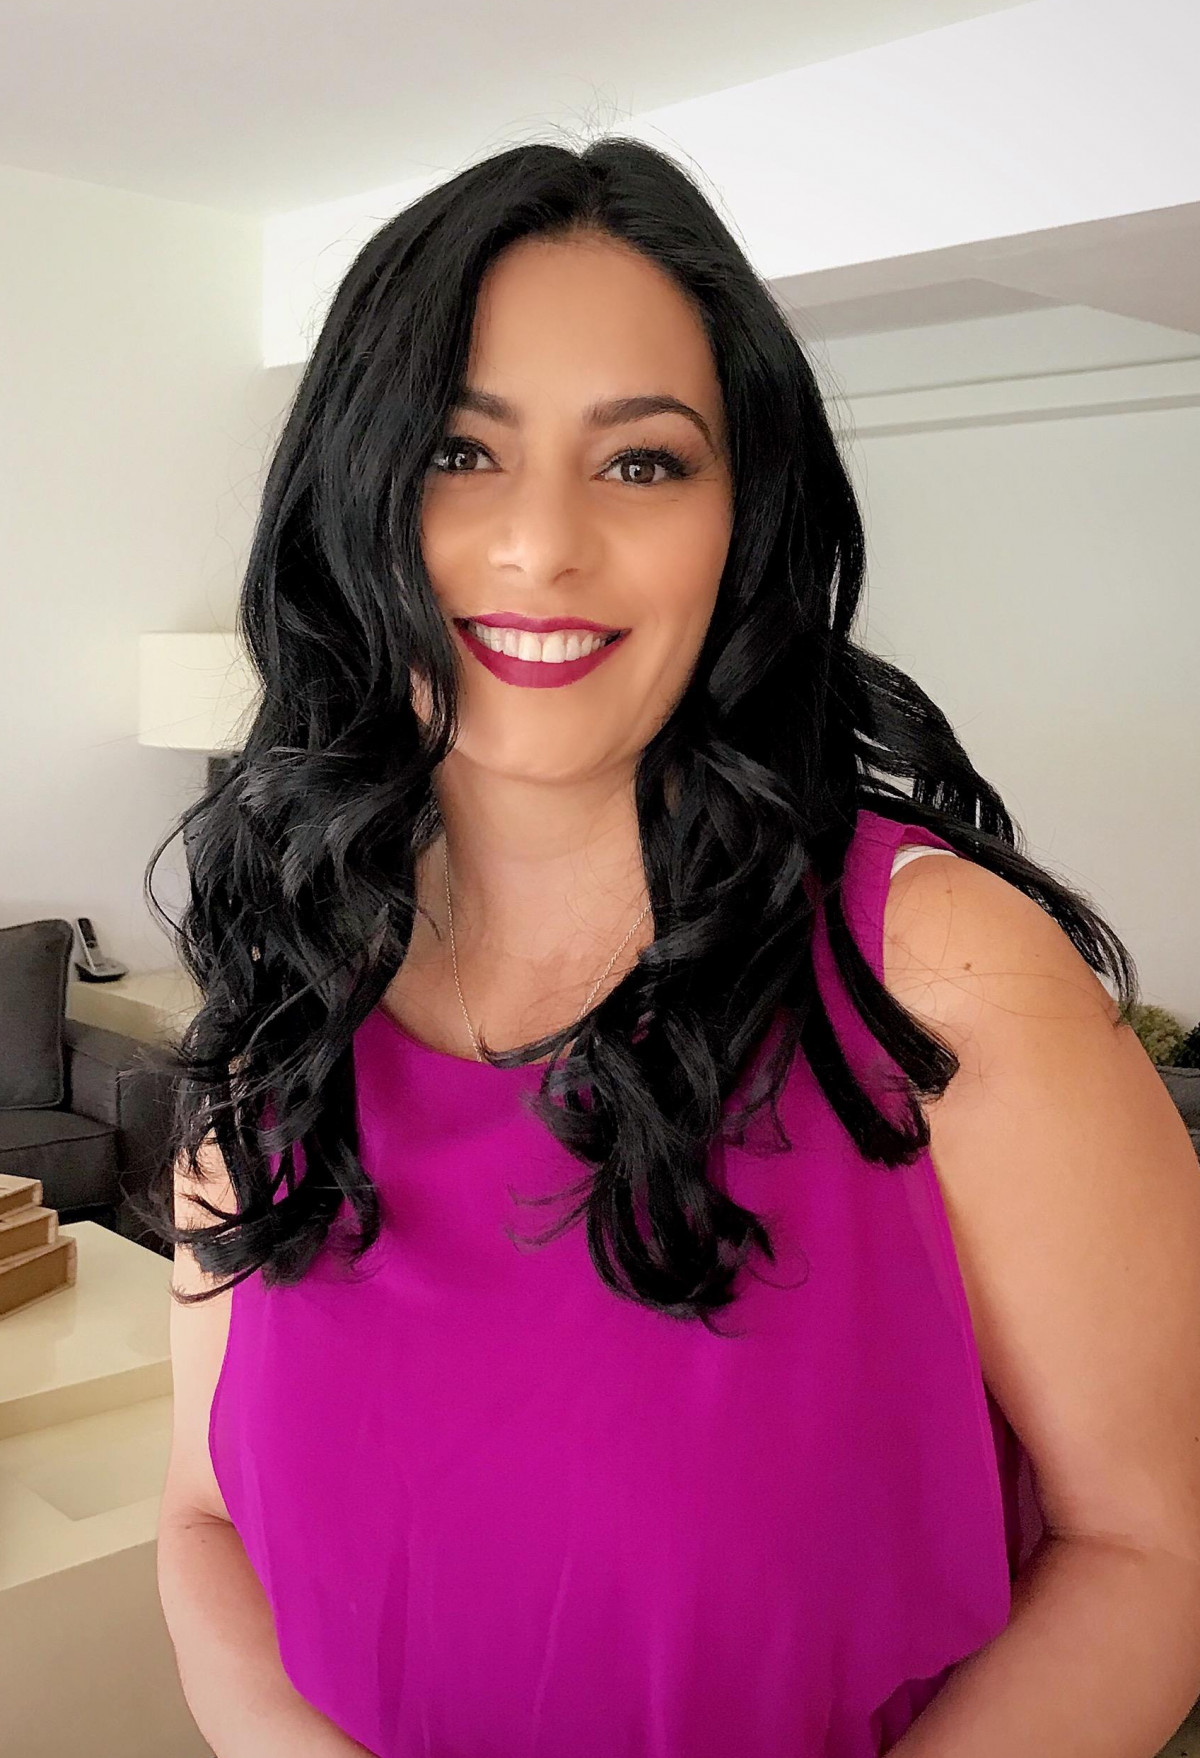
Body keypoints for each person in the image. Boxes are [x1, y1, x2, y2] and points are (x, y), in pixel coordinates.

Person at [143, 137, 1200, 1758]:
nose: (543, 544)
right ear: (349, 500)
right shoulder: (289, 983)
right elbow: (204, 1516)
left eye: (642, 463)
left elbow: (1157, 1544)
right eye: (457, 450)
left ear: (742, 519)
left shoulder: (938, 972)